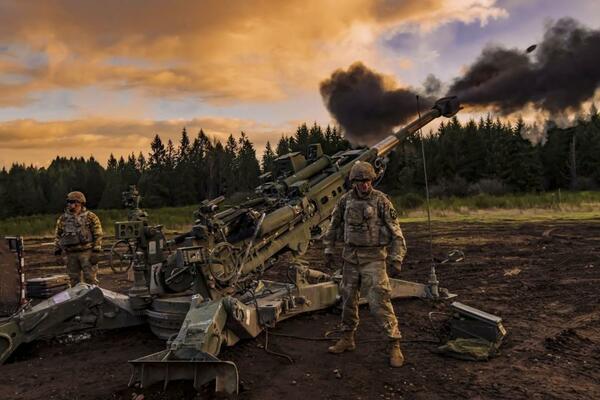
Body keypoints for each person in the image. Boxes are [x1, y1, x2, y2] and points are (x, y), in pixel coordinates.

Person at [323, 161, 407, 367]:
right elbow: (333, 227)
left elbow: (396, 231)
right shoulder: (344, 201)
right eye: (360, 182)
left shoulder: (381, 201)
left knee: (379, 301)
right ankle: (347, 338)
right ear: (353, 182)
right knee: (348, 300)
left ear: (372, 181)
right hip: (351, 259)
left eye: (367, 181)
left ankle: (394, 343)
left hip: (374, 259)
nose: (364, 185)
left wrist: (397, 258)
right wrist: (328, 249)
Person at [54, 191, 103, 286]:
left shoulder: (90, 217)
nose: (69, 204)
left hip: (87, 252)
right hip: (71, 254)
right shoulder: (63, 218)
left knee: (90, 279)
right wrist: (57, 252)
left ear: (79, 203)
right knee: (73, 281)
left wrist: (96, 251)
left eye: (72, 202)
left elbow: (98, 234)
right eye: (68, 202)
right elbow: (58, 235)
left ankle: (93, 299)